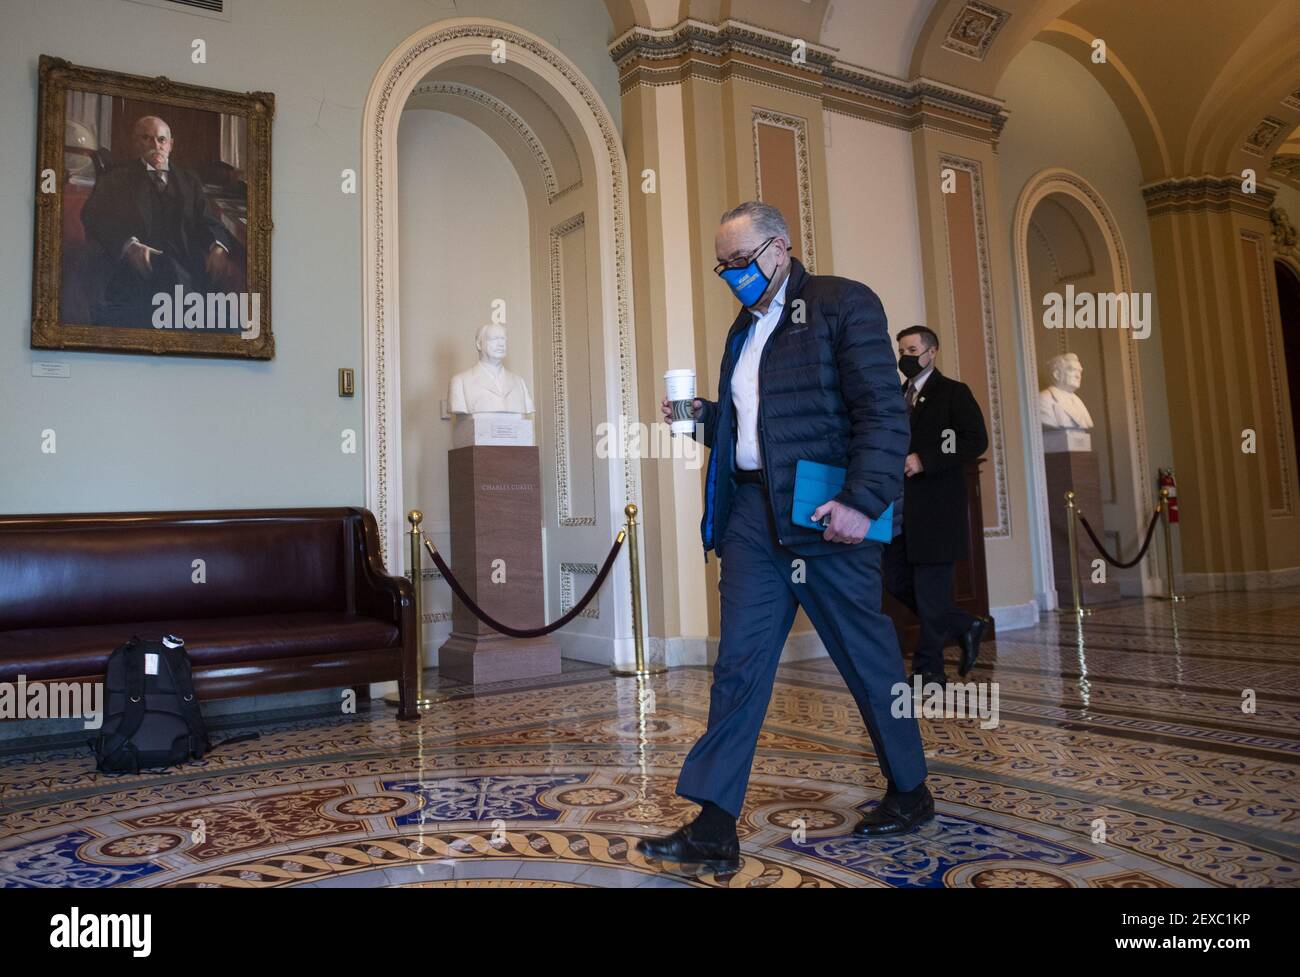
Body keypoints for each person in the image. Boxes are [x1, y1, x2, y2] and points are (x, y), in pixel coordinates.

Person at [637, 201, 931, 874]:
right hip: (752, 514)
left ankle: (911, 790)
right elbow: (756, 427)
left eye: (742, 261)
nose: (734, 275)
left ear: (781, 248)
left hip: (824, 510)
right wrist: (704, 417)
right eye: (725, 266)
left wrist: (864, 500)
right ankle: (714, 825)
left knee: (867, 658)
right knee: (738, 662)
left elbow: (881, 412)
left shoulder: (842, 304)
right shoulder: (744, 330)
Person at [883, 326, 990, 688]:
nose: (905, 356)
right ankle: (964, 624)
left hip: (936, 510)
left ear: (932, 352)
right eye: (901, 350)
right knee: (893, 578)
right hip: (899, 511)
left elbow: (975, 439)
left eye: (912, 349)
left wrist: (926, 459)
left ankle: (929, 671)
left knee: (930, 591)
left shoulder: (953, 393)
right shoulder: (897, 395)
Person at [81, 115, 235, 328]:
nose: (156, 145)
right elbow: (93, 215)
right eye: (147, 138)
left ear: (170, 145)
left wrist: (218, 247)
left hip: (187, 269)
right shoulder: (116, 179)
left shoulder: (189, 180)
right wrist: (129, 245)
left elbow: (207, 221)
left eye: (161, 140)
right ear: (135, 143)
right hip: (138, 272)